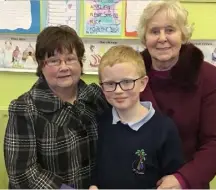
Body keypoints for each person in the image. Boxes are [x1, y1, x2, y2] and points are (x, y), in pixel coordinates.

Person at [137, 1, 216, 189]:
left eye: (170, 30)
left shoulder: (207, 77)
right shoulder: (130, 74)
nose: (162, 38)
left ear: (183, 35)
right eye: (154, 31)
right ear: (144, 37)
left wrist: (183, 179)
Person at [4, 25, 109, 189]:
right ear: (41, 65)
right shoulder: (24, 108)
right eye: (53, 61)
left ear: (80, 62)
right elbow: (23, 174)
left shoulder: (96, 96)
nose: (64, 67)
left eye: (70, 59)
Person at [89, 45, 184, 189]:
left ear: (142, 83)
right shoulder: (101, 122)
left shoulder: (164, 129)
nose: (119, 90)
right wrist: (93, 185)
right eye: (110, 84)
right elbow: (96, 167)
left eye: (127, 82)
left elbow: (172, 180)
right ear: (102, 87)